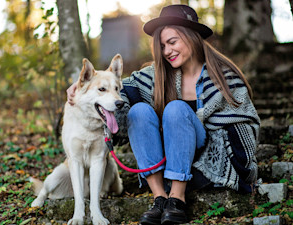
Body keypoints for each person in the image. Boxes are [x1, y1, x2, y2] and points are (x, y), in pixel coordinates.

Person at [67, 4, 260, 225]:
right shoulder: (155, 76)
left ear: (193, 37)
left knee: (176, 109)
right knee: (138, 111)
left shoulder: (223, 77)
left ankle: (176, 199)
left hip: (207, 165)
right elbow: (112, 91)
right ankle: (160, 198)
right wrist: (79, 86)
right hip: (164, 164)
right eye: (162, 45)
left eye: (172, 42)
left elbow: (243, 126)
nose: (167, 51)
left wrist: (243, 171)